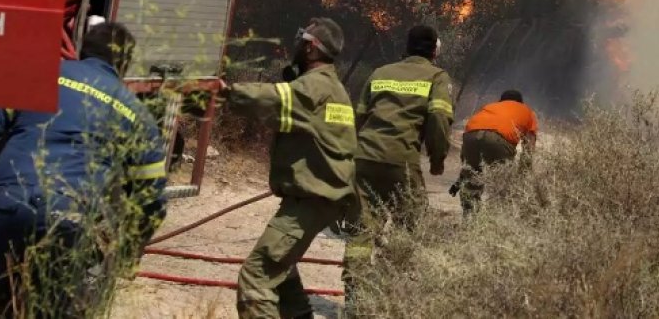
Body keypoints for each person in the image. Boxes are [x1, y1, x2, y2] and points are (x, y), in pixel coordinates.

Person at [0, 22, 168, 316]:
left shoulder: (38, 74)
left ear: (81, 49)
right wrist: (128, 254)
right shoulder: (136, 114)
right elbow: (150, 199)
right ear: (125, 63)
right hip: (69, 219)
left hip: (4, 202)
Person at [226, 18, 356, 319]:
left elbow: (271, 99)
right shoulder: (333, 88)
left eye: (301, 41)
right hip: (322, 197)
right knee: (283, 271)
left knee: (257, 275)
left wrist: (225, 92)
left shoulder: (314, 86)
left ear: (310, 48)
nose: (296, 46)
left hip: (310, 200)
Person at [342, 25, 454, 301]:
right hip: (400, 162)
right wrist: (437, 158)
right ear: (434, 50)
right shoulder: (437, 76)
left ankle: (355, 297)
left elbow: (357, 117)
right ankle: (394, 294)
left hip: (364, 158)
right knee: (411, 228)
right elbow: (439, 120)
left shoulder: (380, 73)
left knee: (361, 230)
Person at [453, 89, 538, 214]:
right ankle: (495, 221)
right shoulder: (527, 111)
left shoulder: (490, 107)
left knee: (471, 181)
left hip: (470, 137)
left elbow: (467, 155)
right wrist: (523, 174)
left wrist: (464, 173)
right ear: (520, 102)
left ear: (501, 100)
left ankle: (469, 220)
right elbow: (529, 148)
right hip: (498, 140)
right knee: (501, 183)